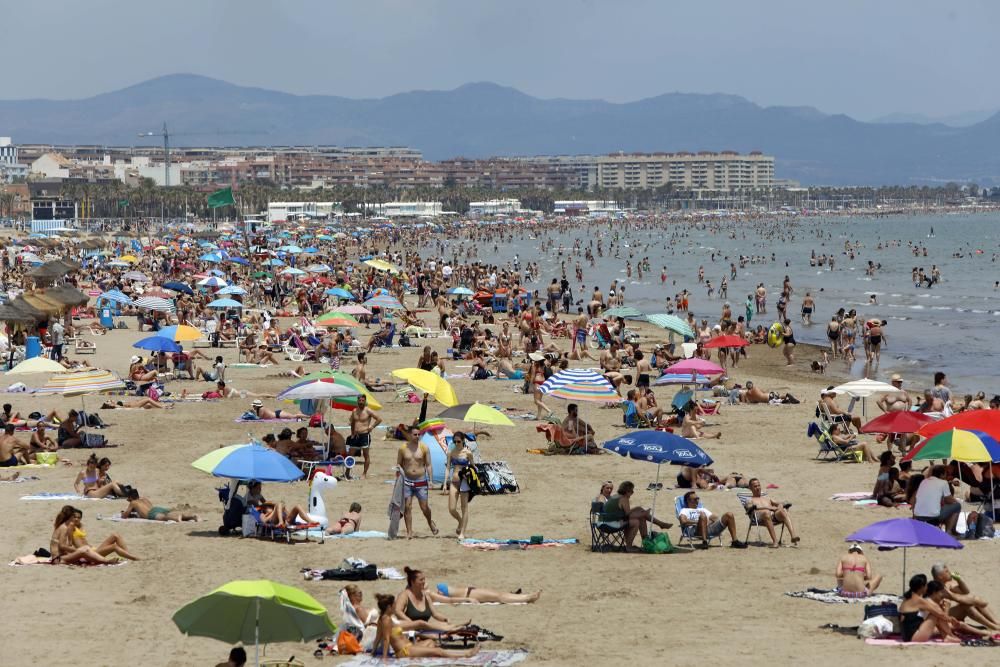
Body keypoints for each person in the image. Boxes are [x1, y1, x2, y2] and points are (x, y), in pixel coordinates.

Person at [375, 593, 477, 659]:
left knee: (430, 642)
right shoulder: (387, 620)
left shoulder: (383, 619)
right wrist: (384, 659)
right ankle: (465, 654)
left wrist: (372, 652)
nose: (396, 606)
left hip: (409, 647)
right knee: (438, 651)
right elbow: (386, 640)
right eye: (394, 604)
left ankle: (422, 656)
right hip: (404, 651)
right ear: (389, 607)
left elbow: (378, 637)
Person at [604, 481, 675, 550]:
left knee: (639, 509)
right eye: (631, 491)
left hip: (606, 521)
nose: (632, 493)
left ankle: (647, 539)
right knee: (636, 521)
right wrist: (642, 514)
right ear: (627, 491)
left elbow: (626, 514)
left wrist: (640, 513)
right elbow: (627, 516)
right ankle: (629, 546)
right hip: (611, 524)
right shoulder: (624, 499)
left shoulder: (616, 496)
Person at [393, 568, 466, 633]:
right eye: (421, 580)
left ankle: (454, 626)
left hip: (424, 629)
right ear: (412, 582)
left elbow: (435, 614)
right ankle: (450, 629)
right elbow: (397, 611)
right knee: (421, 624)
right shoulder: (404, 595)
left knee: (441, 624)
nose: (424, 581)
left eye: (424, 579)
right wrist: (411, 623)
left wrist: (445, 619)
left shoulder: (426, 595)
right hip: (409, 629)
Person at [396, 424, 438, 538]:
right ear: (410, 435)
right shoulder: (403, 448)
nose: (417, 436)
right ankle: (409, 532)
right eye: (415, 434)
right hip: (407, 481)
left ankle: (430, 522)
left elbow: (428, 465)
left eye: (419, 434)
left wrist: (431, 480)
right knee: (407, 507)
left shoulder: (424, 447)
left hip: (421, 481)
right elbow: (399, 463)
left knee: (424, 507)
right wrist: (398, 474)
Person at [931, 563, 1000, 632]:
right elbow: (958, 599)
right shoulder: (936, 588)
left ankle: (996, 623)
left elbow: (965, 592)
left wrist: (959, 580)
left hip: (948, 613)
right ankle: (992, 626)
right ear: (940, 576)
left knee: (971, 602)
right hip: (939, 617)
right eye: (947, 572)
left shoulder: (947, 584)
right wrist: (977, 601)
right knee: (967, 605)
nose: (950, 572)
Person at [677, 490, 746, 549]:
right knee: (703, 516)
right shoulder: (684, 510)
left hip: (708, 528)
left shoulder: (702, 509)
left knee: (729, 515)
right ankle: (704, 542)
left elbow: (715, 518)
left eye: (698, 499)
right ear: (688, 500)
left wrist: (706, 523)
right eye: (695, 499)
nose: (697, 501)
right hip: (694, 530)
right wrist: (699, 522)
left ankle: (735, 541)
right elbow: (683, 521)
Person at [743, 478, 800, 547]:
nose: (758, 488)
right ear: (750, 488)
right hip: (760, 519)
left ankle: (793, 536)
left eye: (759, 485)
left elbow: (779, 503)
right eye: (755, 486)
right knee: (766, 513)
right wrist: (768, 508)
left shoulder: (767, 498)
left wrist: (780, 506)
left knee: (783, 510)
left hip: (773, 516)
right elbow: (749, 508)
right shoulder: (749, 500)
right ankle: (775, 541)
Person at [912, 464, 962, 535]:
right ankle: (949, 531)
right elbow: (949, 499)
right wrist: (956, 501)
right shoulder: (943, 483)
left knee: (947, 508)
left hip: (918, 516)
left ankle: (950, 529)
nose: (946, 476)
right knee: (957, 506)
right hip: (933, 516)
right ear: (941, 474)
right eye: (945, 474)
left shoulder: (924, 481)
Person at [348, 394, 381, 479]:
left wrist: (372, 426)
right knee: (350, 454)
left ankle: (364, 473)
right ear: (357, 401)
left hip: (365, 435)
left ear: (365, 401)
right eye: (360, 400)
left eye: (363, 400)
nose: (361, 402)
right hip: (355, 436)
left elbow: (379, 419)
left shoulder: (368, 411)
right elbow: (352, 423)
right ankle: (347, 472)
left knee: (365, 455)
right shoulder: (354, 411)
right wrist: (352, 433)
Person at [447, 431, 472, 540]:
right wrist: (444, 483)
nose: (457, 443)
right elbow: (448, 467)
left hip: (464, 482)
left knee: (464, 508)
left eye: (459, 441)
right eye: (455, 441)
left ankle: (462, 533)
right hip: (454, 481)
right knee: (452, 508)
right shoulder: (451, 452)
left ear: (463, 441)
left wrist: (469, 474)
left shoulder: (468, 453)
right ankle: (460, 521)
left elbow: (474, 467)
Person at [120, 488, 198, 522]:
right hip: (156, 508)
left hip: (150, 514)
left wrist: (124, 513)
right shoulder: (143, 498)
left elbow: (124, 516)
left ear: (130, 497)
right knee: (167, 513)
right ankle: (192, 517)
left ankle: (177, 518)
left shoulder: (133, 503)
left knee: (164, 518)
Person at [427, 582, 541, 605]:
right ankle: (526, 598)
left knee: (500, 594)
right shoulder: (434, 594)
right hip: (470, 594)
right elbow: (450, 600)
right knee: (498, 597)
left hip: (471, 591)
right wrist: (468, 600)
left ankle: (525, 596)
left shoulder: (435, 591)